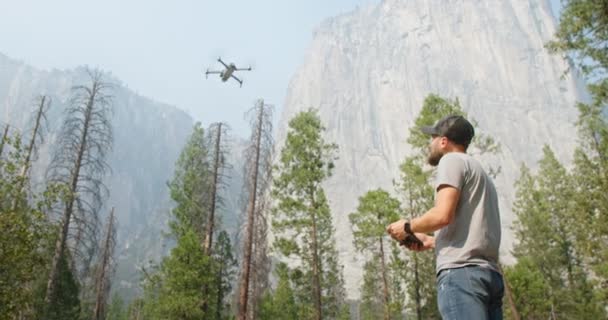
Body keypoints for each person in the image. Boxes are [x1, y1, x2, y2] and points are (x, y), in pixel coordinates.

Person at [386, 115, 504, 320]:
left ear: (443, 141)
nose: (429, 144)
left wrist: (408, 227)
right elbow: (474, 230)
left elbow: (442, 215)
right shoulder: (480, 173)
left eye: (432, 138)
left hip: (461, 276)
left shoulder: (451, 160)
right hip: (489, 276)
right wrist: (432, 241)